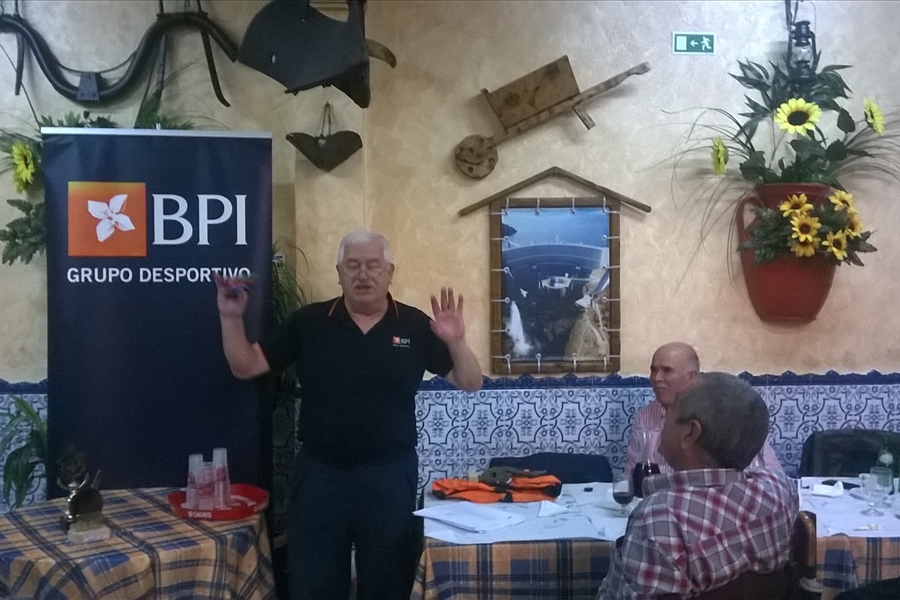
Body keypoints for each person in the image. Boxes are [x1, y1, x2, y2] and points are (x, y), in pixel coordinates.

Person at [215, 229, 483, 600]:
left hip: (390, 478)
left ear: (389, 272)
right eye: (353, 266)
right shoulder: (309, 322)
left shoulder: (415, 325)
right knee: (314, 589)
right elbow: (246, 366)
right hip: (320, 478)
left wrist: (456, 341)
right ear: (339, 273)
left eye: (373, 265)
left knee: (388, 588)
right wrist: (231, 318)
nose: (363, 274)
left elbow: (471, 382)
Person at [598, 372, 799, 599]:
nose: (663, 418)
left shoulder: (660, 518)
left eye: (671, 410)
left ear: (690, 433)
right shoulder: (779, 488)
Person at [623, 342, 783, 479]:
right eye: (653, 370)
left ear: (691, 376)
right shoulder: (645, 417)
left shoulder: (724, 413)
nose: (656, 378)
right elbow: (631, 476)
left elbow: (772, 474)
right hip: (661, 499)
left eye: (667, 371)